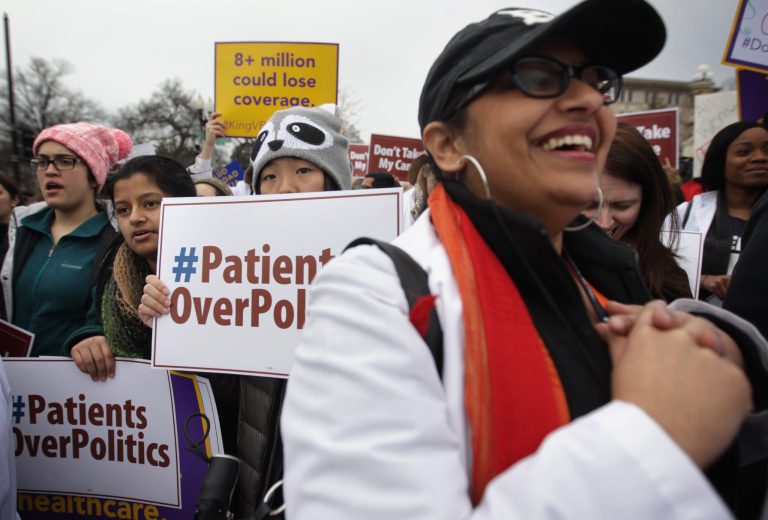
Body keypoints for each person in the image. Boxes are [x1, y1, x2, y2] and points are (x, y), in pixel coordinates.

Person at [280, 2, 768, 518]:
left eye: (597, 80)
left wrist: (724, 349)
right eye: (538, 76)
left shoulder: (607, 275)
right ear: (446, 145)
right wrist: (652, 437)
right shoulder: (374, 294)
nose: (586, 98)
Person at [139, 104, 352, 518]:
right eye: (269, 176)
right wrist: (171, 322)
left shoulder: (377, 269)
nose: (284, 188)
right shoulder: (238, 273)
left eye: (303, 171)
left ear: (335, 180)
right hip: (260, 490)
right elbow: (219, 399)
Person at [1, 122, 132, 356]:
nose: (50, 170)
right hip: (12, 383)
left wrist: (96, 335)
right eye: (42, 161)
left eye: (64, 161)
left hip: (75, 387)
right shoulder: (20, 229)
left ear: (94, 176)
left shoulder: (117, 240)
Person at [65, 155, 196, 380]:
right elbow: (94, 324)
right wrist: (88, 340)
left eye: (150, 204)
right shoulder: (109, 270)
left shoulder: (223, 272)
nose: (135, 218)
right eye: (123, 210)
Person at [583, 123, 691, 301]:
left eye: (622, 205)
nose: (604, 223)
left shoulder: (666, 278)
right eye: (589, 205)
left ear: (646, 202)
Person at [673, 119, 768, 306]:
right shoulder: (686, 214)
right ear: (720, 160)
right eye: (743, 152)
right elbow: (658, 269)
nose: (760, 157)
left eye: (767, 150)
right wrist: (704, 280)